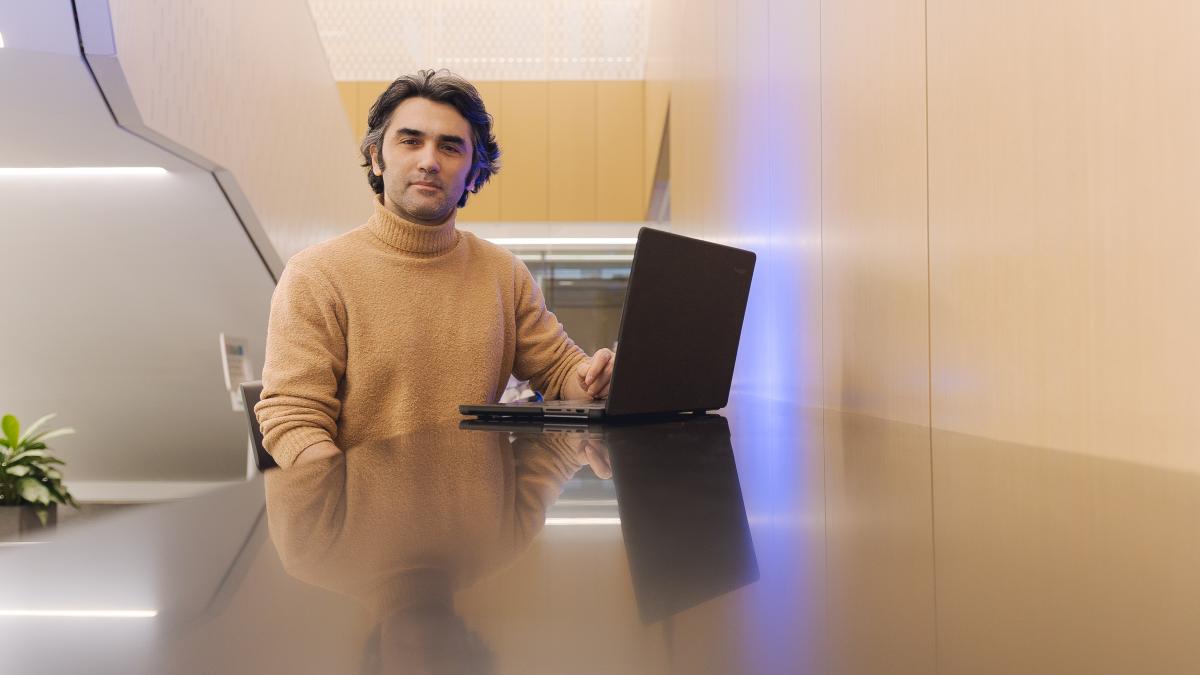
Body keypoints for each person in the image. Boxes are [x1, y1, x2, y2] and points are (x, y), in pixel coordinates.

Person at [254, 69, 615, 469]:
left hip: (478, 523)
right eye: (410, 141)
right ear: (377, 158)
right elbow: (292, 418)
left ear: (474, 173)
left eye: (450, 147)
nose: (429, 161)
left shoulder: (504, 274)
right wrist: (345, 504)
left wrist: (595, 376)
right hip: (366, 522)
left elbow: (559, 369)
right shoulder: (316, 275)